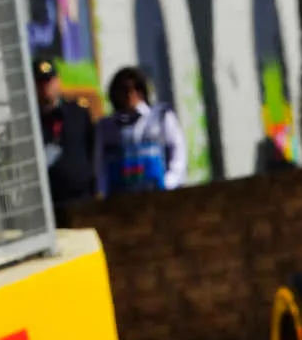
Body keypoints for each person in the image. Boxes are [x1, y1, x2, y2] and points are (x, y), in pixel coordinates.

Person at [95, 66, 187, 197]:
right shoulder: (107, 126)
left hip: (159, 194)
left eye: (136, 88)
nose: (130, 94)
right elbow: (100, 163)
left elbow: (179, 153)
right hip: (123, 197)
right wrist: (105, 192)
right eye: (124, 90)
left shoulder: (161, 117)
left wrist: (168, 183)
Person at [34, 58, 96, 221]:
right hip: (50, 202)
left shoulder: (78, 113)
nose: (46, 87)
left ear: (58, 81)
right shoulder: (32, 122)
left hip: (82, 198)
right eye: (40, 82)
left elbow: (93, 149)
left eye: (49, 80)